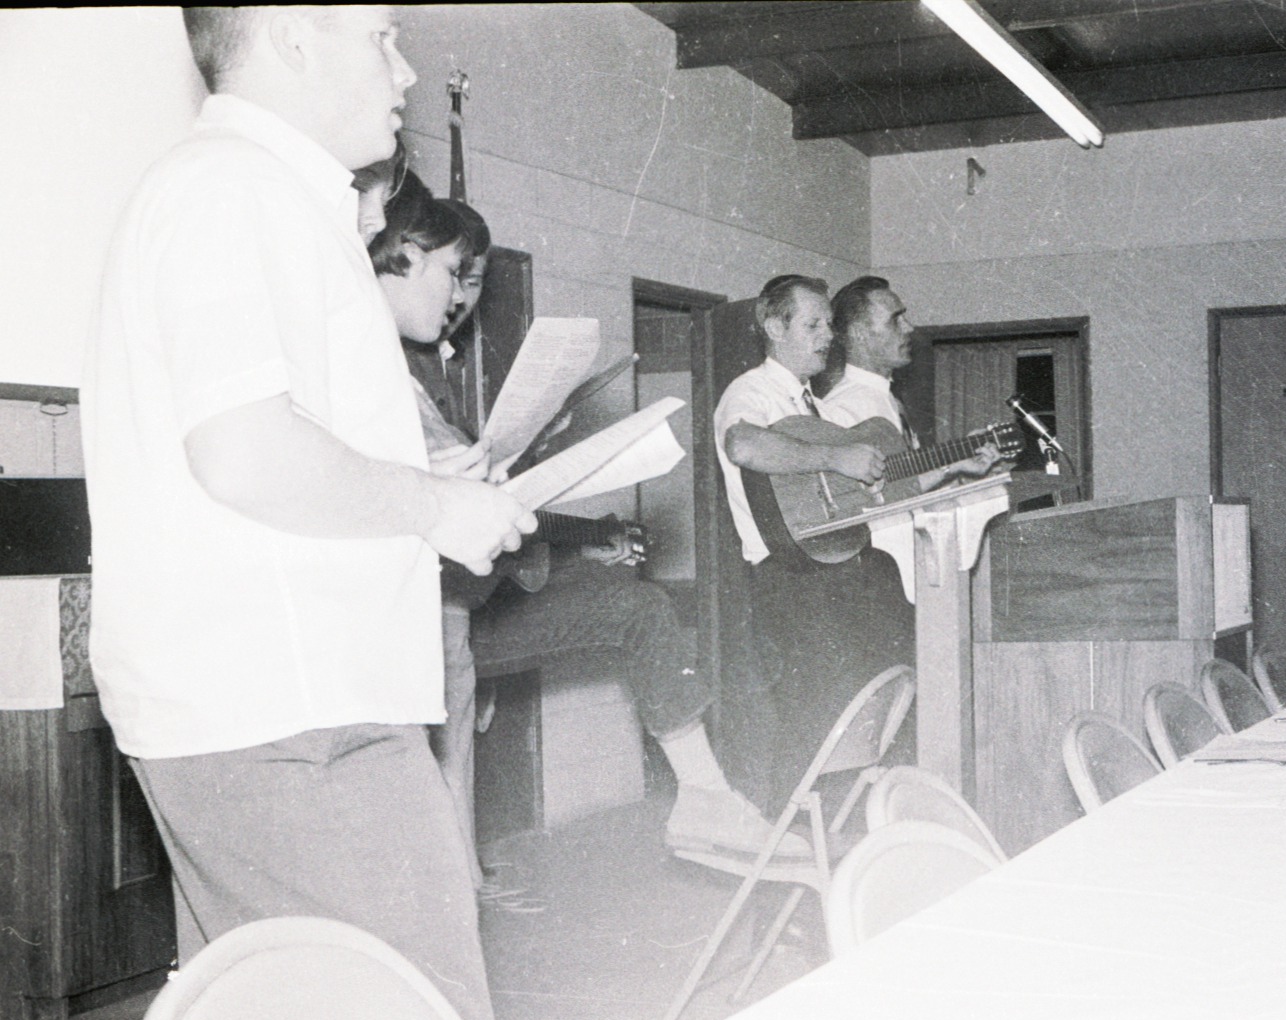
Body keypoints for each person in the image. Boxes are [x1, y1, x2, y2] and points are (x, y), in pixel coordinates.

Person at [80, 8, 532, 1020]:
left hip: (276, 706)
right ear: (290, 36)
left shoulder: (251, 192)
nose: (404, 69)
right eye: (379, 36)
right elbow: (244, 453)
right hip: (295, 717)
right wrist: (434, 509)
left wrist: (433, 492)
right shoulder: (235, 189)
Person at [370, 176, 803, 861]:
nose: (460, 298)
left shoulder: (427, 364)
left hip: (469, 594)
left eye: (472, 282)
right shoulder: (375, 363)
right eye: (455, 276)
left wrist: (560, 507)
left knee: (639, 607)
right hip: (423, 614)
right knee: (440, 791)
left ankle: (705, 796)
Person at [714, 275, 912, 810]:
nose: (828, 335)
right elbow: (743, 444)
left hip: (831, 568)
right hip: (788, 578)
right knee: (813, 717)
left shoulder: (812, 407)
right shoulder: (750, 391)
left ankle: (847, 824)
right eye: (813, 325)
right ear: (774, 327)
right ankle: (787, 833)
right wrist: (833, 457)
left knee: (859, 706)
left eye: (828, 323)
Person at [822, 275, 1004, 485]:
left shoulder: (890, 399)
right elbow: (864, 497)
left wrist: (959, 469)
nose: (909, 327)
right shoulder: (841, 410)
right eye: (895, 320)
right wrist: (950, 467)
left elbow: (906, 488)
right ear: (859, 334)